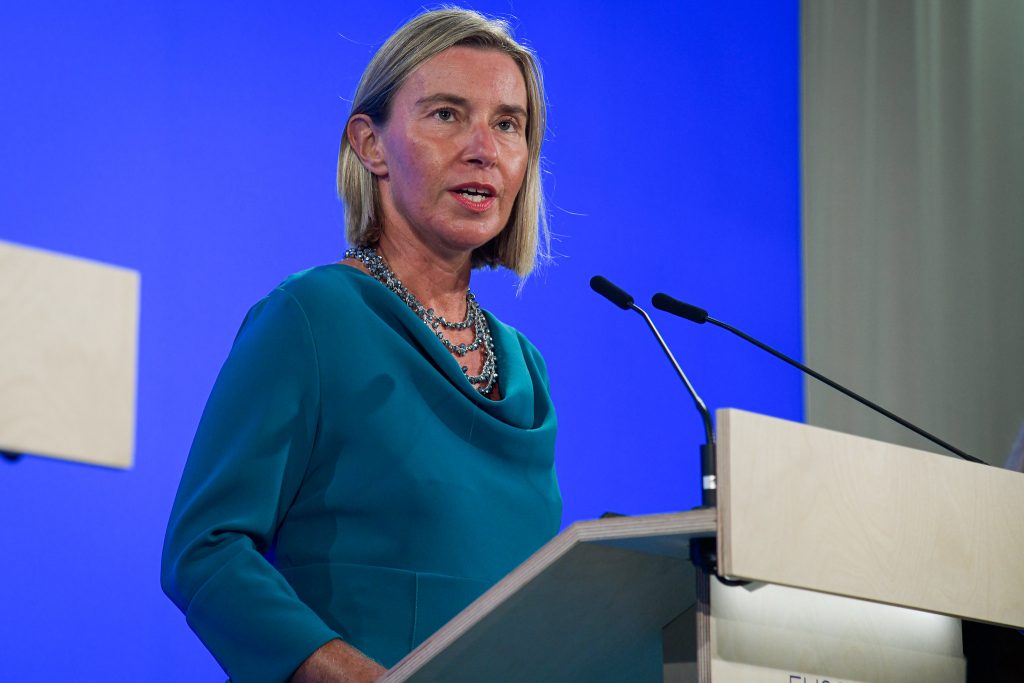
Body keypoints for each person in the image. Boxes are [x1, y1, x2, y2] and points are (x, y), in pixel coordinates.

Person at [160, 8, 561, 683]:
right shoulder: (312, 318)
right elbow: (204, 550)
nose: (483, 149)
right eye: (446, 114)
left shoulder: (526, 369)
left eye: (507, 124)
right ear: (370, 145)